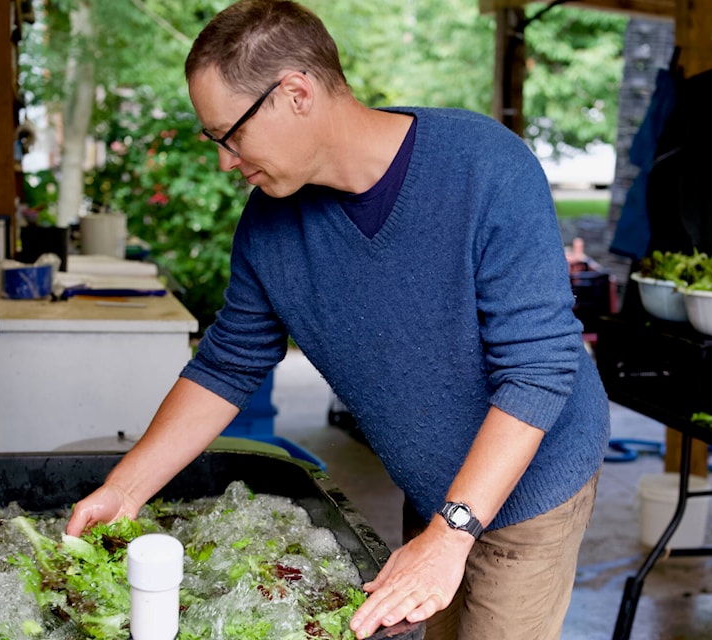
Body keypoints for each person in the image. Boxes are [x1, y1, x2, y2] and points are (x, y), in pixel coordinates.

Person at [66, 1, 611, 638]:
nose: (225, 160)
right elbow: (227, 364)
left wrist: (449, 533)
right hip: (437, 488)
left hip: (532, 489)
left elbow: (538, 371)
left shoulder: (485, 168)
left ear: (294, 92)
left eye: (230, 134)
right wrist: (126, 491)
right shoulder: (269, 229)